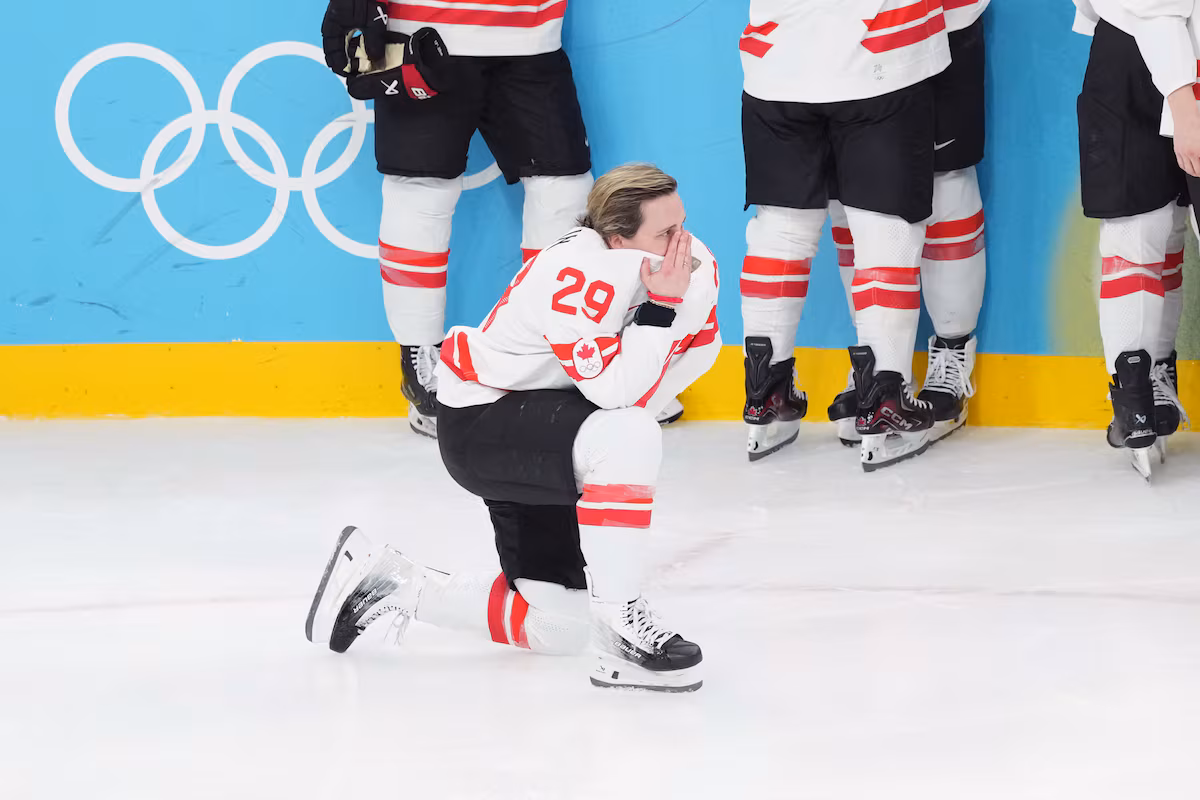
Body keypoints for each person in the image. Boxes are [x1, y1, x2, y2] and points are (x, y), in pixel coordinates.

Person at [304, 165, 722, 692]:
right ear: (618, 239)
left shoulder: (689, 262)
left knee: (559, 627)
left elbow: (703, 347)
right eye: (665, 233)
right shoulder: (577, 272)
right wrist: (660, 308)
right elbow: (618, 396)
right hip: (484, 424)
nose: (682, 242)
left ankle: (389, 583)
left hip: (553, 428)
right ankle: (622, 628)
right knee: (630, 431)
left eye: (682, 223)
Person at [320, 0, 594, 439]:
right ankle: (420, 360)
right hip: (423, 34)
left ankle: (554, 348)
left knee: (564, 189)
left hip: (531, 31)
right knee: (420, 189)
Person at [738, 0, 950, 469]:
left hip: (777, 59)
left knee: (781, 233)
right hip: (885, 56)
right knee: (885, 235)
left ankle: (764, 399)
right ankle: (884, 402)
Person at [828, 0, 991, 450]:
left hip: (938, 25)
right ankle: (876, 363)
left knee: (946, 183)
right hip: (833, 39)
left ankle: (952, 356)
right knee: (851, 196)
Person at [1072, 0, 1193, 479]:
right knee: (1141, 229)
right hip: (1134, 48)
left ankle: (1141, 393)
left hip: (1132, 43)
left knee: (1153, 232)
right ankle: (1140, 390)